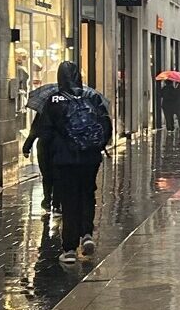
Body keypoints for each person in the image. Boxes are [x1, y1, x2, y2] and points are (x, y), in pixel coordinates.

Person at [22, 61, 112, 263]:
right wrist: (95, 145)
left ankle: (70, 248)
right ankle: (87, 233)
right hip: (89, 158)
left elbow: (43, 131)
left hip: (64, 160)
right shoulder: (92, 96)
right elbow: (106, 126)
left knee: (69, 200)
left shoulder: (52, 101)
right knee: (87, 194)